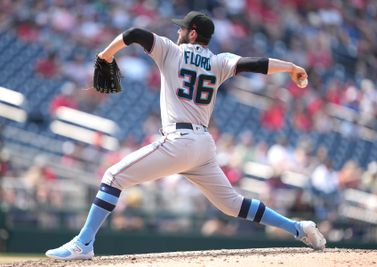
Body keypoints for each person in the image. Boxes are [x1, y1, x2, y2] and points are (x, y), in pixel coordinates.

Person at [46, 11, 326, 260]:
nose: (177, 32)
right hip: (203, 144)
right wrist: (291, 67)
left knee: (112, 177)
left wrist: (106, 55)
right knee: (232, 205)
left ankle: (83, 243)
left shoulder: (171, 51)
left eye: (182, 28)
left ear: (192, 33)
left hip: (179, 140)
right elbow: (258, 63)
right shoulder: (219, 61)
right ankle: (298, 228)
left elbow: (133, 34)